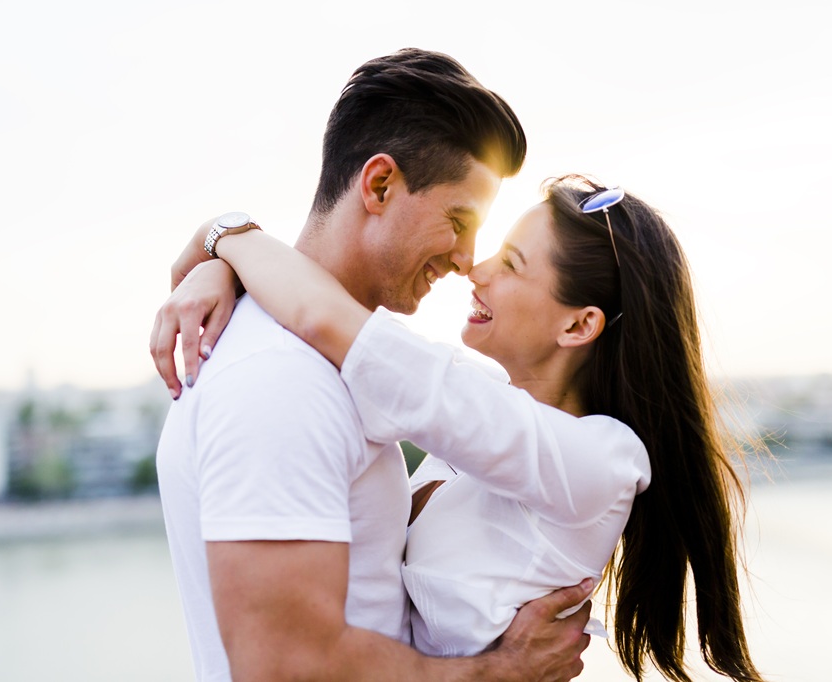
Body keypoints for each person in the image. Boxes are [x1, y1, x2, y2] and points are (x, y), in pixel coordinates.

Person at [154, 175, 766, 682]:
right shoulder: (477, 422)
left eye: (512, 263)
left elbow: (327, 319)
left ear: (579, 327)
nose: (476, 269)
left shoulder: (600, 463)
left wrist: (229, 236)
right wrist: (224, 268)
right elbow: (323, 328)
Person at [152, 49, 594, 682]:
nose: (469, 260)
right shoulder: (282, 381)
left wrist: (222, 242)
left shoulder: (314, 355)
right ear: (380, 184)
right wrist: (502, 671)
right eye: (458, 220)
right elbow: (286, 665)